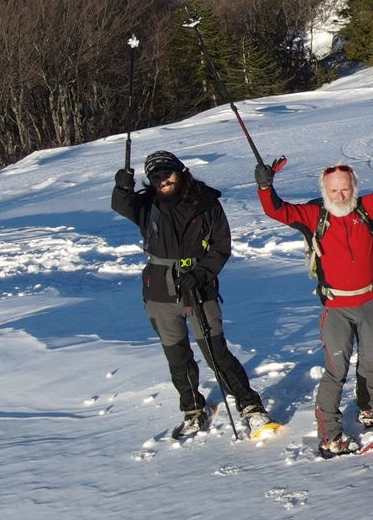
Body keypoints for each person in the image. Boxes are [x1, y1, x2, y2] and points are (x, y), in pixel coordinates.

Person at [257, 143, 373, 456]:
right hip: (336, 307)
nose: (340, 195)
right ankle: (330, 434)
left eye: (345, 189)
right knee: (337, 370)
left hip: (371, 301)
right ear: (325, 190)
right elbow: (276, 209)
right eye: (334, 190)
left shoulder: (366, 209)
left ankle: (370, 408)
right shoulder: (312, 215)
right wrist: (265, 186)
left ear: (354, 188)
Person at [112, 150, 269, 439]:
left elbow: (221, 247)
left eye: (167, 174)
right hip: (159, 289)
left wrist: (199, 275)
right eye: (155, 176)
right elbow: (121, 204)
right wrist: (123, 185)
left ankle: (250, 406)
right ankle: (193, 408)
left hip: (199, 286)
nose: (162, 181)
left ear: (181, 172)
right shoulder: (147, 205)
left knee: (215, 351)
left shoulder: (206, 202)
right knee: (177, 355)